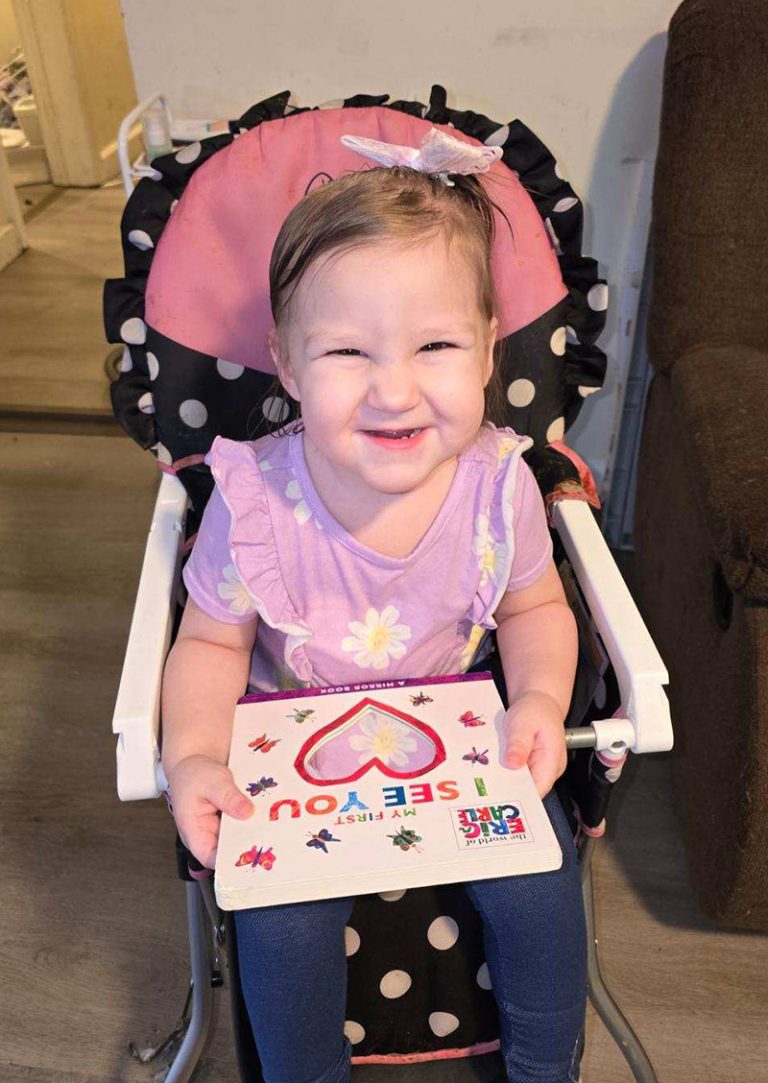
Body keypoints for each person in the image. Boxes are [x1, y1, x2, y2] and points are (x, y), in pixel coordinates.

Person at [161, 128, 586, 1083]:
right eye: (348, 350)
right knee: (281, 915)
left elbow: (533, 610)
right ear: (285, 359)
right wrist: (193, 754)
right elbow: (211, 645)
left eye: (435, 344)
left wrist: (542, 703)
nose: (395, 388)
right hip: (289, 746)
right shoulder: (258, 501)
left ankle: (546, 1065)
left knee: (540, 890)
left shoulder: (497, 486)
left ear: (485, 351)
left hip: (460, 724)